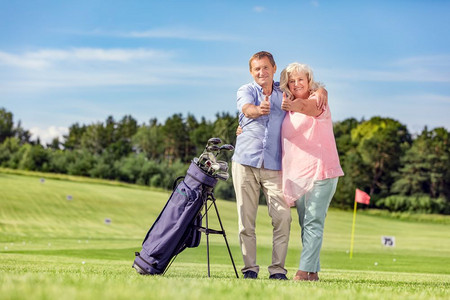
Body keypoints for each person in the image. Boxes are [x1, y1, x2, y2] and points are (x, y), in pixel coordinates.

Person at [232, 52, 327, 280]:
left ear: (274, 69)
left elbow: (308, 88)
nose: (261, 73)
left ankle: (277, 271)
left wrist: (322, 90)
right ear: (251, 72)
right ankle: (250, 270)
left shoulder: (284, 91)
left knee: (283, 217)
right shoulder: (245, 91)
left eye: (265, 68)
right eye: (256, 69)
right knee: (246, 220)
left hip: (275, 166)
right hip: (245, 162)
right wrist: (257, 111)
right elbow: (246, 109)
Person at [279, 62, 344, 281]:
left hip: (322, 170)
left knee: (313, 222)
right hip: (299, 175)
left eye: (300, 79)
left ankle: (301, 272)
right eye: (292, 80)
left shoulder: (319, 100)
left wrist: (291, 104)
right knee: (305, 224)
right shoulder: (287, 109)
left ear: (309, 81)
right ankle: (313, 273)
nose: (296, 83)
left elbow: (309, 108)